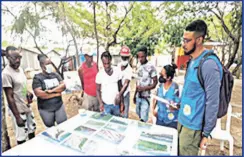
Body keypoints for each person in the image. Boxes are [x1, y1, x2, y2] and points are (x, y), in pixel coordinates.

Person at [178, 19, 223, 155]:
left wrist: (206, 133)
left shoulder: (209, 64)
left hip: (193, 127)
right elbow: (191, 92)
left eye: (187, 41)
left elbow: (213, 102)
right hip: (182, 120)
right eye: (183, 40)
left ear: (199, 40)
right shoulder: (192, 61)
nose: (183, 44)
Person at [2, 46, 36, 144]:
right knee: (22, 137)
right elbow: (9, 97)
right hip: (18, 110)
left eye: (19, 58)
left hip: (26, 106)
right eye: (14, 58)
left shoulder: (20, 69)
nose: (18, 60)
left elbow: (23, 86)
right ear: (8, 58)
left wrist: (28, 93)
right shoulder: (6, 74)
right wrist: (17, 117)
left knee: (32, 131)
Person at [32, 54, 67, 127]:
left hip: (58, 105)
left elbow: (63, 86)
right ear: (42, 66)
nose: (50, 66)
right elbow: (39, 94)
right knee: (50, 127)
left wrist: (51, 91)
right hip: (45, 109)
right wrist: (56, 94)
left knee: (63, 125)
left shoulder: (55, 74)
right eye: (47, 64)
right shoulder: (37, 78)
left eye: (50, 63)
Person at [151, 64, 180, 129]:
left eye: (162, 75)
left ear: (169, 78)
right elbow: (155, 99)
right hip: (160, 119)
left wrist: (174, 107)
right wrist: (153, 111)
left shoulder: (175, 88)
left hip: (171, 121)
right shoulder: (159, 87)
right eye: (160, 74)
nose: (160, 76)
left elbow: (179, 105)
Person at [133, 46, 158, 122]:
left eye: (142, 57)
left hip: (145, 97)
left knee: (143, 119)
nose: (140, 59)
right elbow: (138, 82)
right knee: (138, 113)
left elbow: (155, 83)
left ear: (146, 55)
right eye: (139, 57)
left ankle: (142, 131)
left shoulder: (151, 67)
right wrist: (134, 95)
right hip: (138, 96)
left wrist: (144, 89)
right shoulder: (139, 66)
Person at [96, 51, 124, 116]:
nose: (107, 66)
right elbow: (97, 90)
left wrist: (122, 102)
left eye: (108, 63)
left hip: (116, 105)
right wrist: (100, 103)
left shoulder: (117, 71)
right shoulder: (99, 75)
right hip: (106, 106)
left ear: (111, 60)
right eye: (104, 64)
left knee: (117, 123)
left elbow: (120, 87)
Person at [117, 46, 133, 118]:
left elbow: (126, 84)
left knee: (124, 114)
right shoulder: (118, 66)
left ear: (129, 57)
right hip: (118, 92)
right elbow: (118, 81)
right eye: (123, 57)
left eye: (126, 57)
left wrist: (119, 96)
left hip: (125, 94)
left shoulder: (129, 70)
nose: (124, 59)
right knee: (117, 113)